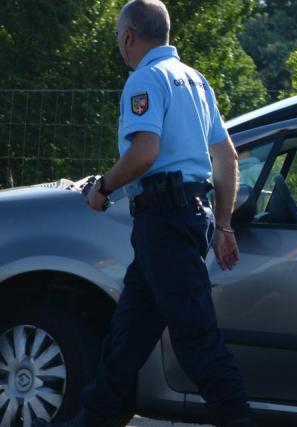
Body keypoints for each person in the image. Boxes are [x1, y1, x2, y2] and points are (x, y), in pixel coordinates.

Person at [34, 1, 254, 426]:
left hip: (164, 221)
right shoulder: (196, 81)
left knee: (196, 341)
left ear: (130, 36)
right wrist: (224, 225)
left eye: (119, 38)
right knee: (127, 340)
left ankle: (238, 419)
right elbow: (226, 158)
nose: (120, 45)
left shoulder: (145, 80)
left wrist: (103, 188)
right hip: (185, 220)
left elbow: (145, 152)